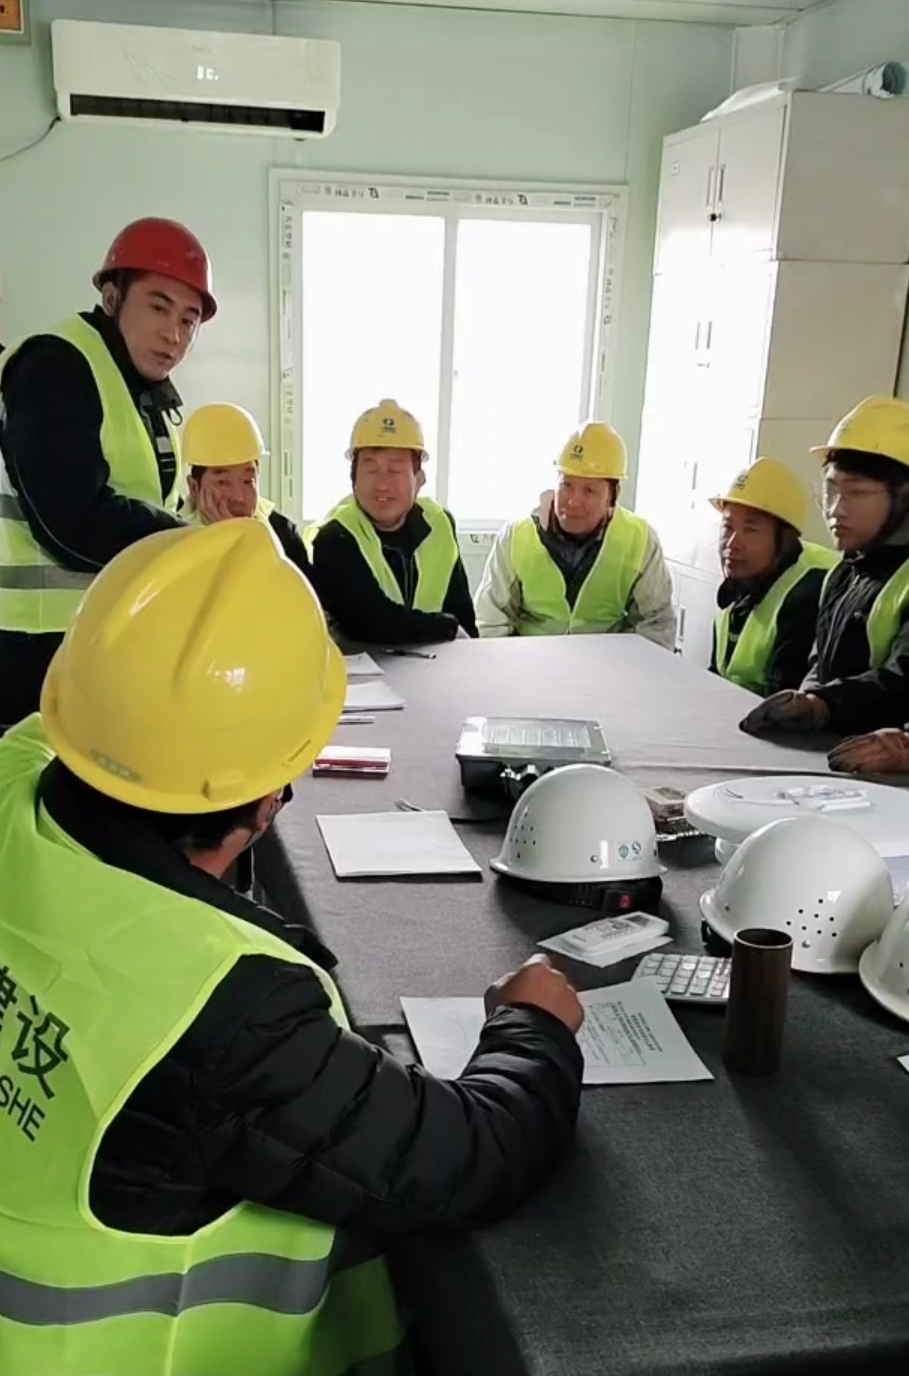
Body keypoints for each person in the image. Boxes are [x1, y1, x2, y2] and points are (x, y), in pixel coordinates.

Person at [0, 518, 583, 1376]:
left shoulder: (13, 778)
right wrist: (532, 1027)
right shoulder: (220, 1004)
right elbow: (466, 1158)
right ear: (272, 791)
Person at [0, 216, 215, 729]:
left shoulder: (144, 396)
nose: (174, 334)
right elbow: (71, 518)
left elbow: (144, 509)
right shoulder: (57, 364)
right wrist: (195, 547)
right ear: (113, 297)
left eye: (189, 321)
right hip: (32, 654)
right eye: (158, 307)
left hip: (96, 644)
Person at [741, 396, 909, 738]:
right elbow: (820, 666)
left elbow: (901, 684)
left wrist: (822, 707)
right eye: (830, 491)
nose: (836, 510)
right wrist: (805, 700)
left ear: (904, 497)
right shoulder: (844, 573)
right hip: (830, 754)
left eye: (856, 493)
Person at [475, 421, 674, 645]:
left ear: (613, 495)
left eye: (589, 490)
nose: (573, 501)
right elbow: (490, 620)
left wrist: (623, 664)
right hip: (529, 661)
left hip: (607, 662)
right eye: (566, 485)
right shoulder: (516, 537)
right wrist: (510, 664)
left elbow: (656, 626)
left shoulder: (639, 540)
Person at [311, 399, 477, 645]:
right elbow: (375, 621)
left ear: (419, 479)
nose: (382, 484)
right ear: (353, 478)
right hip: (360, 667)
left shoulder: (439, 524)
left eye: (395, 470)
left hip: (436, 664)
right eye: (371, 469)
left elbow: (462, 612)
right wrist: (448, 627)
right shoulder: (335, 537)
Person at [710, 458, 837, 697]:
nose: (732, 543)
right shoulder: (739, 586)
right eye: (728, 527)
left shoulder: (808, 591)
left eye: (751, 530)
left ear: (785, 540)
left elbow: (786, 699)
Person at [182, 402, 316, 585]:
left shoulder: (282, 533)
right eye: (223, 482)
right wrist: (224, 539)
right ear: (194, 488)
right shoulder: (175, 540)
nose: (238, 497)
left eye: (247, 481)